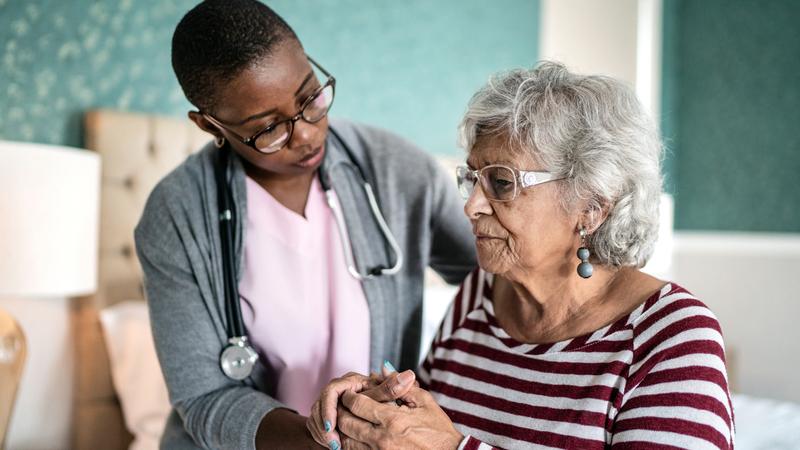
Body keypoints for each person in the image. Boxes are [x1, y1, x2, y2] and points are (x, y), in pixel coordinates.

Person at [308, 62, 734, 449]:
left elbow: (441, 443)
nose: (471, 206)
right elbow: (423, 430)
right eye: (472, 178)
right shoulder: (480, 295)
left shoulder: (672, 338)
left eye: (502, 182)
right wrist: (373, 412)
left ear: (591, 206)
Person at [133, 1, 476, 448]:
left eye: (310, 97)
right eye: (269, 128)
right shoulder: (176, 216)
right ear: (209, 125)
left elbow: (496, 280)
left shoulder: (398, 171)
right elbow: (204, 397)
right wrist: (332, 440)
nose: (308, 134)